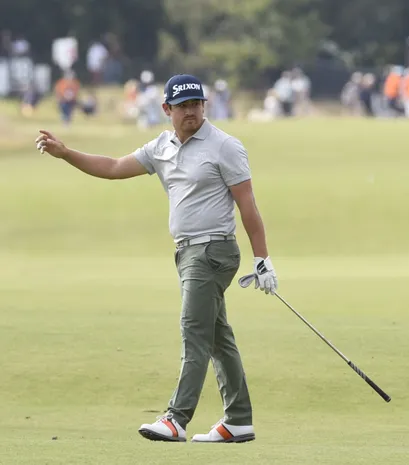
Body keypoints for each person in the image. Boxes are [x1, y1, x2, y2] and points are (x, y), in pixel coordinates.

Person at [35, 73, 278, 443]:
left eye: (196, 104)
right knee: (216, 336)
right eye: (182, 106)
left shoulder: (225, 146)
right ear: (167, 109)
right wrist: (66, 153)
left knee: (193, 331)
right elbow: (114, 167)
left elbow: (248, 205)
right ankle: (238, 419)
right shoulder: (161, 147)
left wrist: (262, 259)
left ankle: (176, 419)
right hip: (187, 252)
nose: (191, 112)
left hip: (212, 251)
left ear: (204, 106)